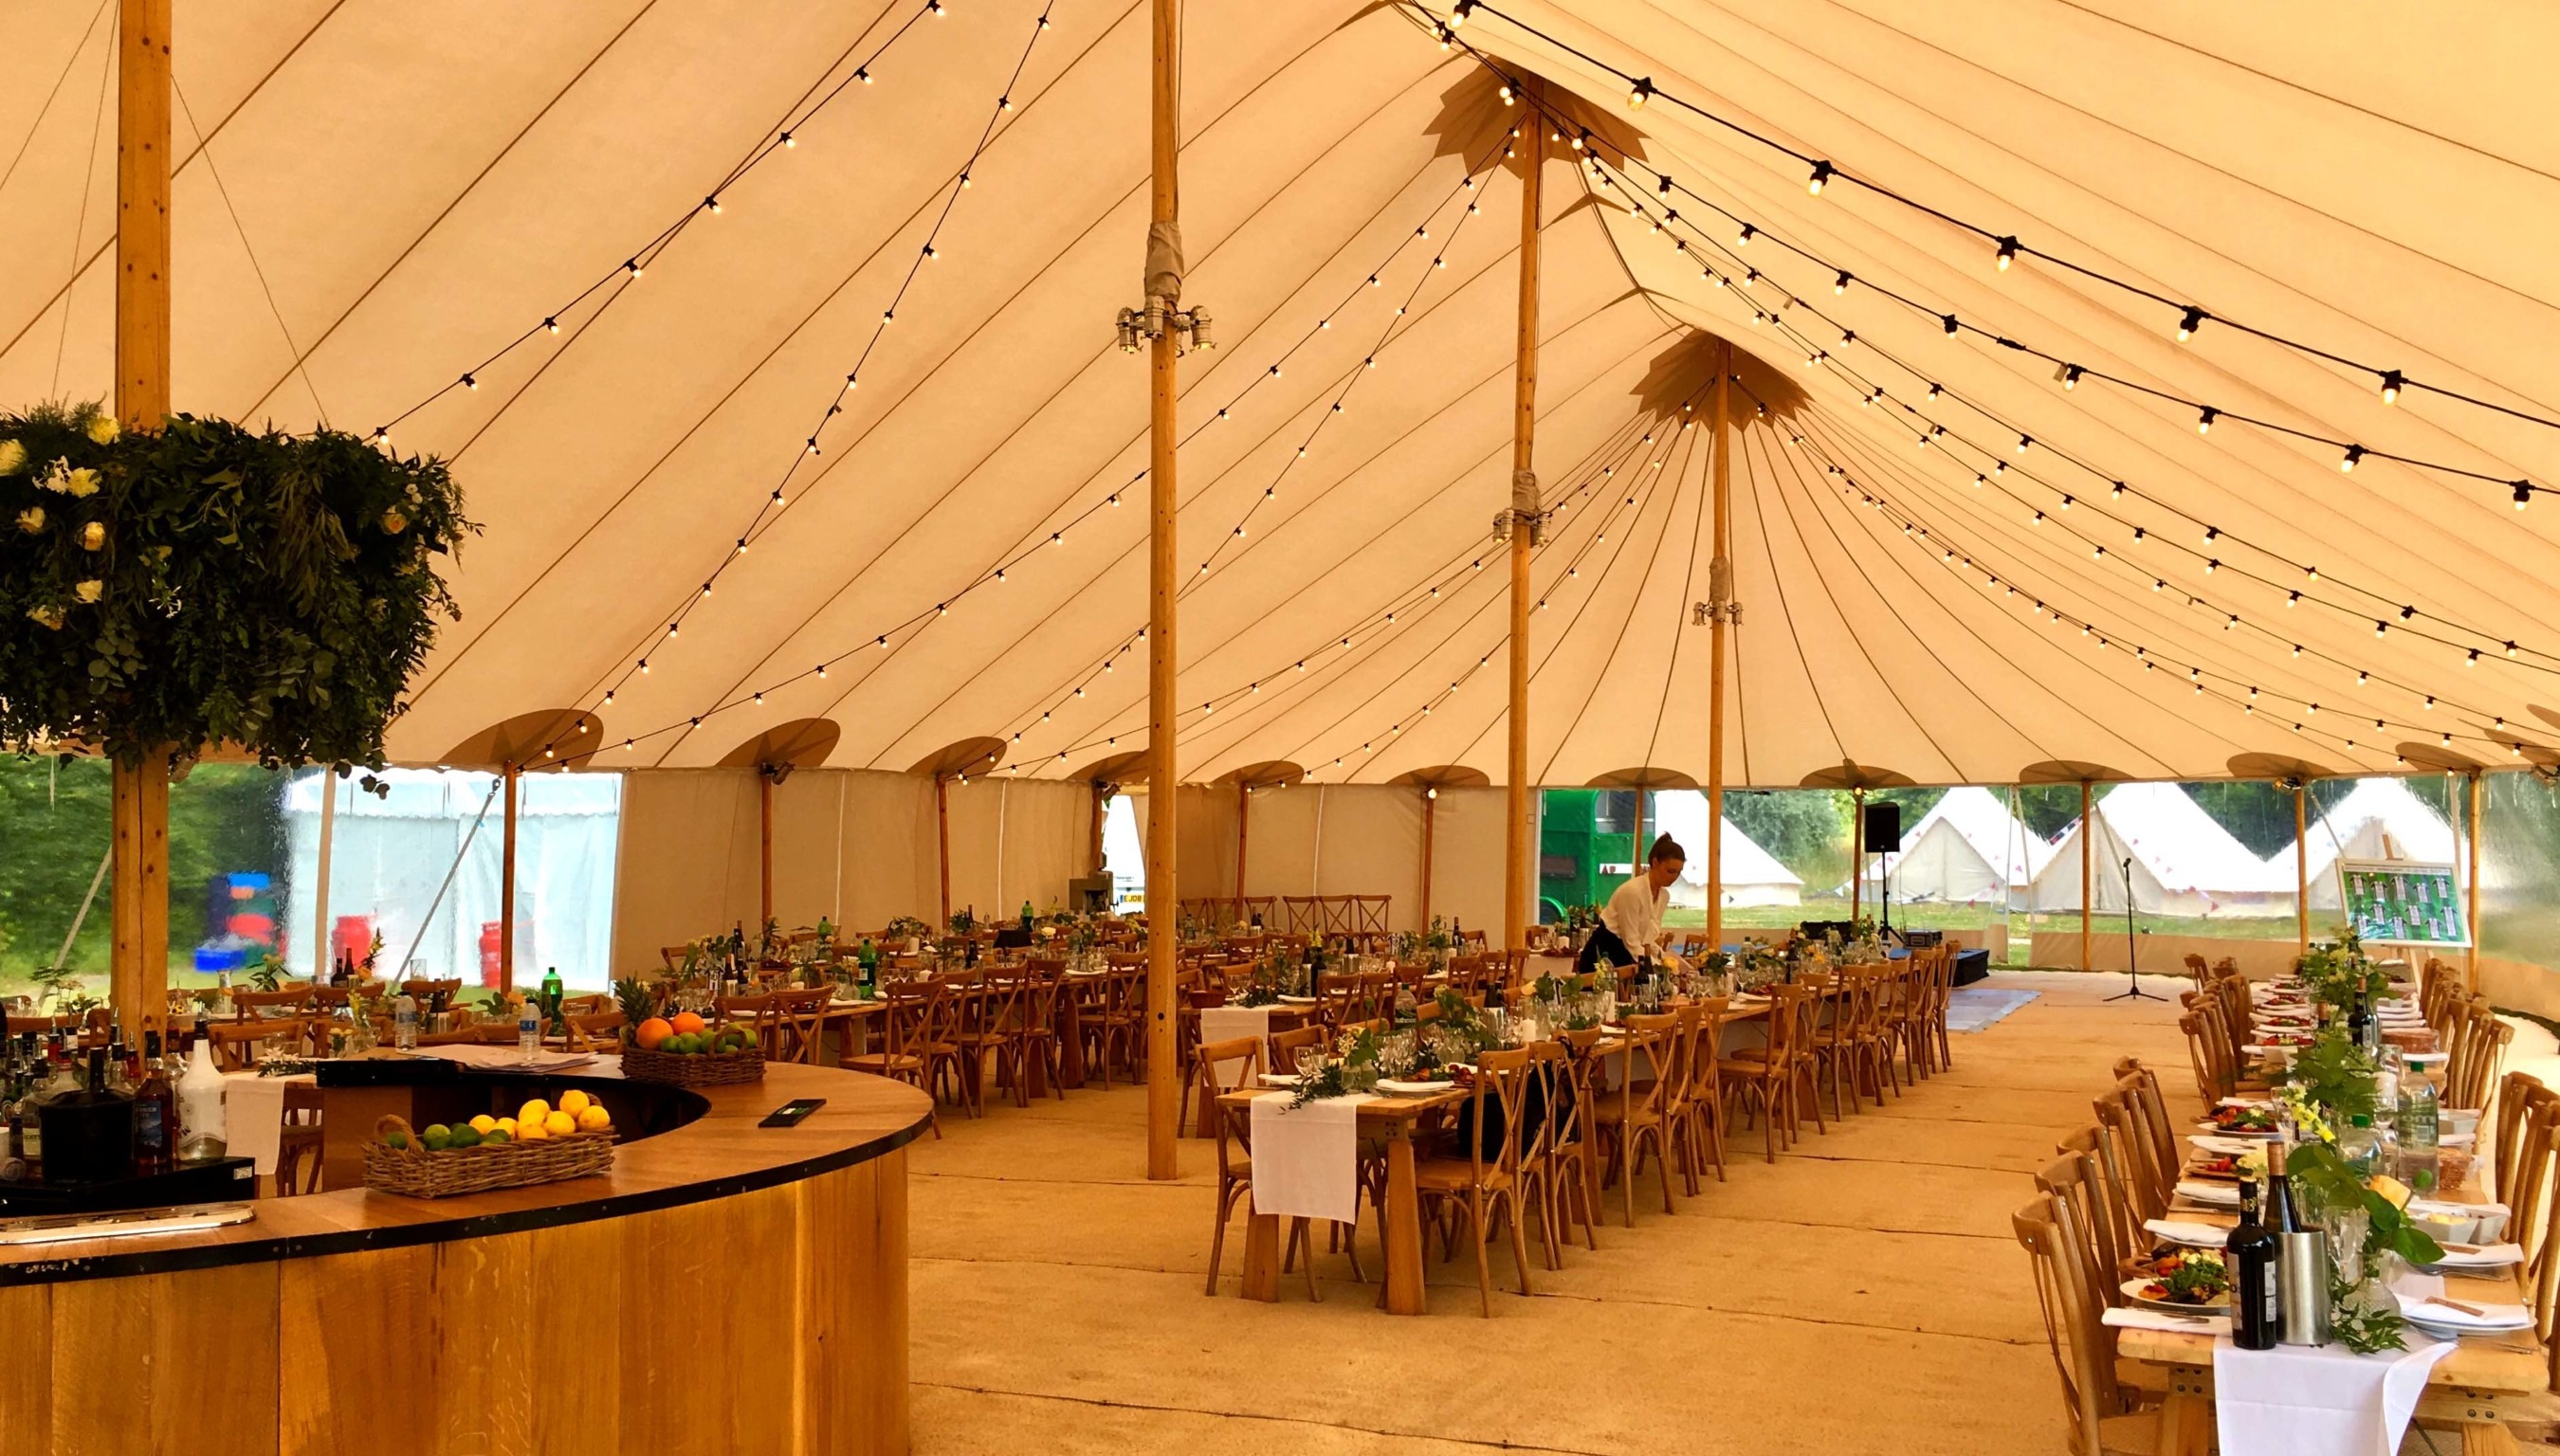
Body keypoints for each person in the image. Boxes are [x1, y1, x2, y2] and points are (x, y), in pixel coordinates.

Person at [1576, 832, 1684, 976]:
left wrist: (1666, 960)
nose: (1674, 877)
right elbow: (1632, 942)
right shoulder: (1632, 891)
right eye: (1670, 871)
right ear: (1655, 862)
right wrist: (1659, 966)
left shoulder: (1663, 896)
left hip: (1627, 956)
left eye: (1678, 872)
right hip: (1603, 955)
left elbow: (1647, 939)